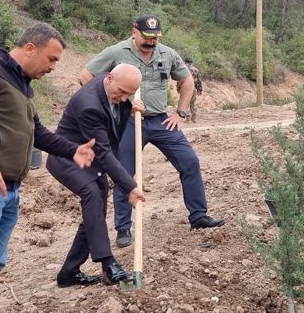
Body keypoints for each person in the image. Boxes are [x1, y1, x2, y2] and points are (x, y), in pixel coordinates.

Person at [0, 23, 96, 313]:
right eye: (52, 59)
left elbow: (37, 131)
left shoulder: (22, 83)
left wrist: (73, 150)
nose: (53, 67)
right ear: (29, 48)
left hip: (7, 190)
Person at [78, 14, 225, 248]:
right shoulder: (116, 52)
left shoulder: (167, 54)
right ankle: (123, 228)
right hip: (126, 122)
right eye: (146, 37)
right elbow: (86, 76)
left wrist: (180, 112)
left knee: (190, 161)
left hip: (160, 121)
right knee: (124, 172)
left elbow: (186, 81)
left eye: (155, 37)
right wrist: (110, 104)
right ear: (134, 32)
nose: (151, 41)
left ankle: (198, 216)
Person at [48, 64, 146, 287]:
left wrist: (129, 107)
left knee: (96, 211)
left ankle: (69, 273)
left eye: (129, 94)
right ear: (109, 79)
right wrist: (130, 186)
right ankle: (108, 263)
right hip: (67, 157)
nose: (123, 98)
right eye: (121, 92)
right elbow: (103, 151)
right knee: (92, 194)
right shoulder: (88, 105)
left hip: (90, 158)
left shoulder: (116, 89)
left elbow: (111, 135)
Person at [176, 57, 203, 123]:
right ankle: (194, 118)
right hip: (194, 88)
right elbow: (199, 80)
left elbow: (180, 79)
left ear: (185, 61)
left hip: (186, 88)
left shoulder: (183, 69)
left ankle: (188, 118)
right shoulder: (196, 70)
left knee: (185, 102)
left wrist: (178, 88)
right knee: (192, 103)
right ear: (192, 62)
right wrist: (200, 89)